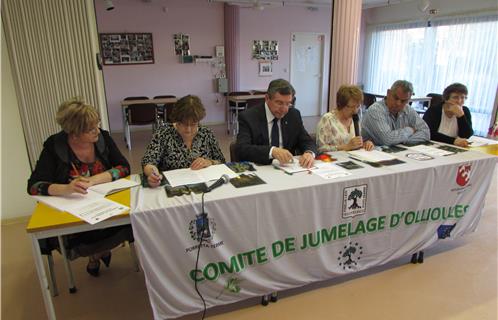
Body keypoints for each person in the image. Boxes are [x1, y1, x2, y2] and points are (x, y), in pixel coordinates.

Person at [27, 97, 133, 277]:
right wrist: (66, 188)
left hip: (108, 206)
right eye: (90, 129)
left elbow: (124, 167)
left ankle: (96, 255)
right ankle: (98, 253)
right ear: (74, 133)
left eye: (97, 125)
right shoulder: (54, 146)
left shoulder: (103, 138)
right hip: (73, 213)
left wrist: (94, 180)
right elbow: (34, 186)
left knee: (129, 222)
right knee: (84, 234)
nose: (97, 131)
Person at [142, 95, 225, 187]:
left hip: (204, 186)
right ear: (176, 120)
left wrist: (209, 162)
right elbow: (149, 162)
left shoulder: (206, 133)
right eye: (184, 124)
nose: (188, 129)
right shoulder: (163, 133)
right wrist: (153, 174)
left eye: (193, 124)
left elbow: (221, 161)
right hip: (172, 188)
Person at [235, 78, 317, 167]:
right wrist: (272, 151)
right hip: (261, 168)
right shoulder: (249, 117)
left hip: (288, 169)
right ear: (267, 98)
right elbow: (242, 149)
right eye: (279, 103)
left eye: (288, 103)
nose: (284, 109)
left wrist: (309, 153)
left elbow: (307, 141)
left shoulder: (293, 115)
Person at [361, 80, 430, 146]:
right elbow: (388, 139)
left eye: (403, 101)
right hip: (371, 153)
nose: (398, 103)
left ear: (408, 100)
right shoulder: (376, 110)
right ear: (388, 93)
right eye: (396, 98)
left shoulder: (408, 109)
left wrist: (403, 140)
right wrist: (410, 130)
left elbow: (426, 132)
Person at [316, 85, 374, 152]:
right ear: (341, 104)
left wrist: (365, 144)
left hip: (353, 158)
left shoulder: (355, 119)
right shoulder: (327, 120)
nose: (355, 111)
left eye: (358, 106)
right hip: (334, 160)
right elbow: (320, 149)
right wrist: (346, 147)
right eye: (351, 107)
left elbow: (357, 143)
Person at [423, 83, 473, 147]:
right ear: (446, 99)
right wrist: (453, 141)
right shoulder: (434, 110)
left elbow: (466, 135)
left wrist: (460, 116)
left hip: (455, 146)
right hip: (433, 145)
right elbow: (429, 133)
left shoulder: (465, 111)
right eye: (455, 97)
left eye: (462, 97)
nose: (459, 101)